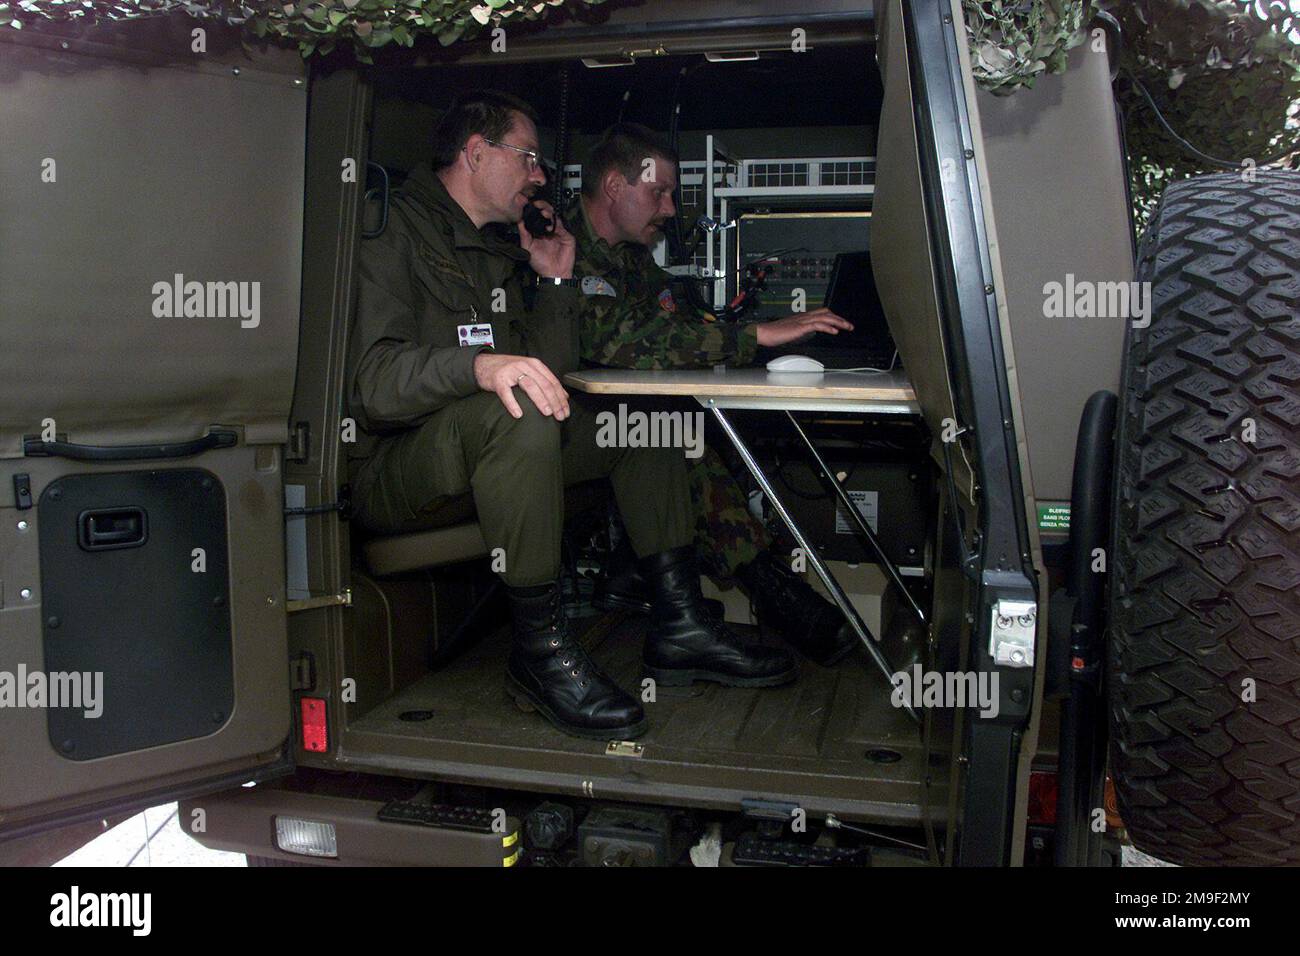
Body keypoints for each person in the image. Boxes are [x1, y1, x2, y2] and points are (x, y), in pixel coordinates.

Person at [345, 93, 797, 741]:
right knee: (517, 411)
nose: (539, 175)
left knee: (642, 414)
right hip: (399, 467)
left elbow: (550, 378)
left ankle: (679, 626)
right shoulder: (389, 230)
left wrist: (555, 279)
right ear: (476, 154)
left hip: (490, 446)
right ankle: (541, 655)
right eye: (527, 157)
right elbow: (371, 382)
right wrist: (479, 367)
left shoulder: (500, 250)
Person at [569, 122, 860, 666]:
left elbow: (680, 326)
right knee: (669, 438)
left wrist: (765, 329)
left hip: (616, 422)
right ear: (613, 187)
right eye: (659, 192)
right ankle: (771, 593)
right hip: (564, 425)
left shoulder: (632, 259)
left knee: (692, 428)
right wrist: (757, 335)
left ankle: (645, 574)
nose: (671, 208)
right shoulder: (561, 246)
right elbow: (618, 342)